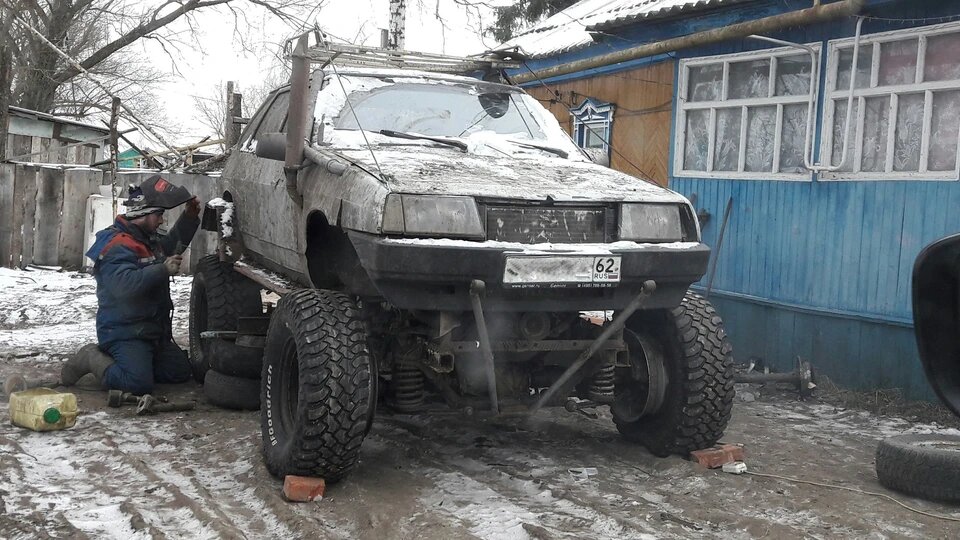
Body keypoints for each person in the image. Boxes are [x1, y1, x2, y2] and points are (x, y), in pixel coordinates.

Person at [61, 175, 202, 394]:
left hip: (150, 331)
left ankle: (137, 363)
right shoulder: (116, 245)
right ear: (142, 214)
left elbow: (172, 244)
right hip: (124, 331)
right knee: (137, 384)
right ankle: (91, 358)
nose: (162, 221)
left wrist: (189, 217)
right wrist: (162, 269)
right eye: (159, 215)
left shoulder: (147, 238)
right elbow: (122, 286)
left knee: (179, 373)